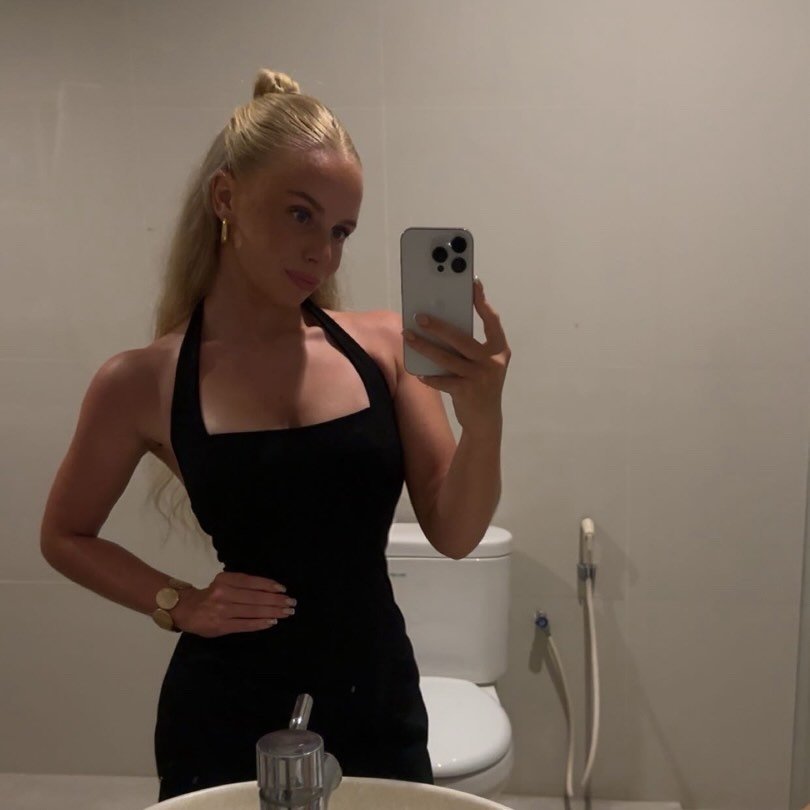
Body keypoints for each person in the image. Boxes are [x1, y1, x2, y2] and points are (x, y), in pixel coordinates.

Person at [39, 68, 510, 801]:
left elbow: (455, 533)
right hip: (226, 705)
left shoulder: (384, 348)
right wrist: (177, 602)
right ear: (225, 198)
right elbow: (65, 534)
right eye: (300, 215)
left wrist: (484, 421)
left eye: (341, 230)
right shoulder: (142, 380)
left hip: (374, 690)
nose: (324, 251)